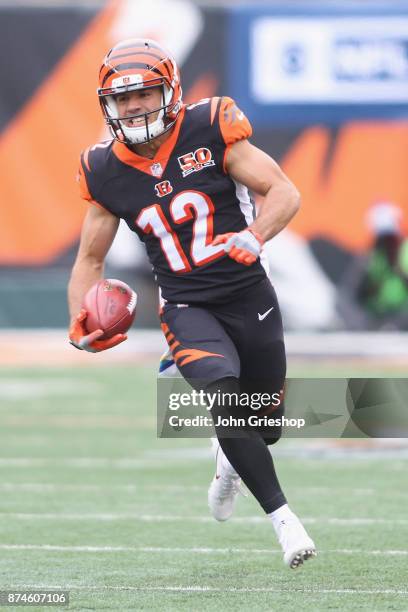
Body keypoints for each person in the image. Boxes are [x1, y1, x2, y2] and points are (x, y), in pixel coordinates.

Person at [68, 38, 316, 568]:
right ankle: (285, 523)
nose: (133, 107)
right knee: (225, 396)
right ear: (107, 106)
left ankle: (228, 461)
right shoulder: (104, 169)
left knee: (264, 424)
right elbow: (90, 260)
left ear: (170, 91)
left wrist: (255, 234)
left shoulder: (211, 126)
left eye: (144, 94)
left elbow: (285, 193)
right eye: (122, 99)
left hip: (248, 293)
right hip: (184, 304)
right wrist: (79, 320)